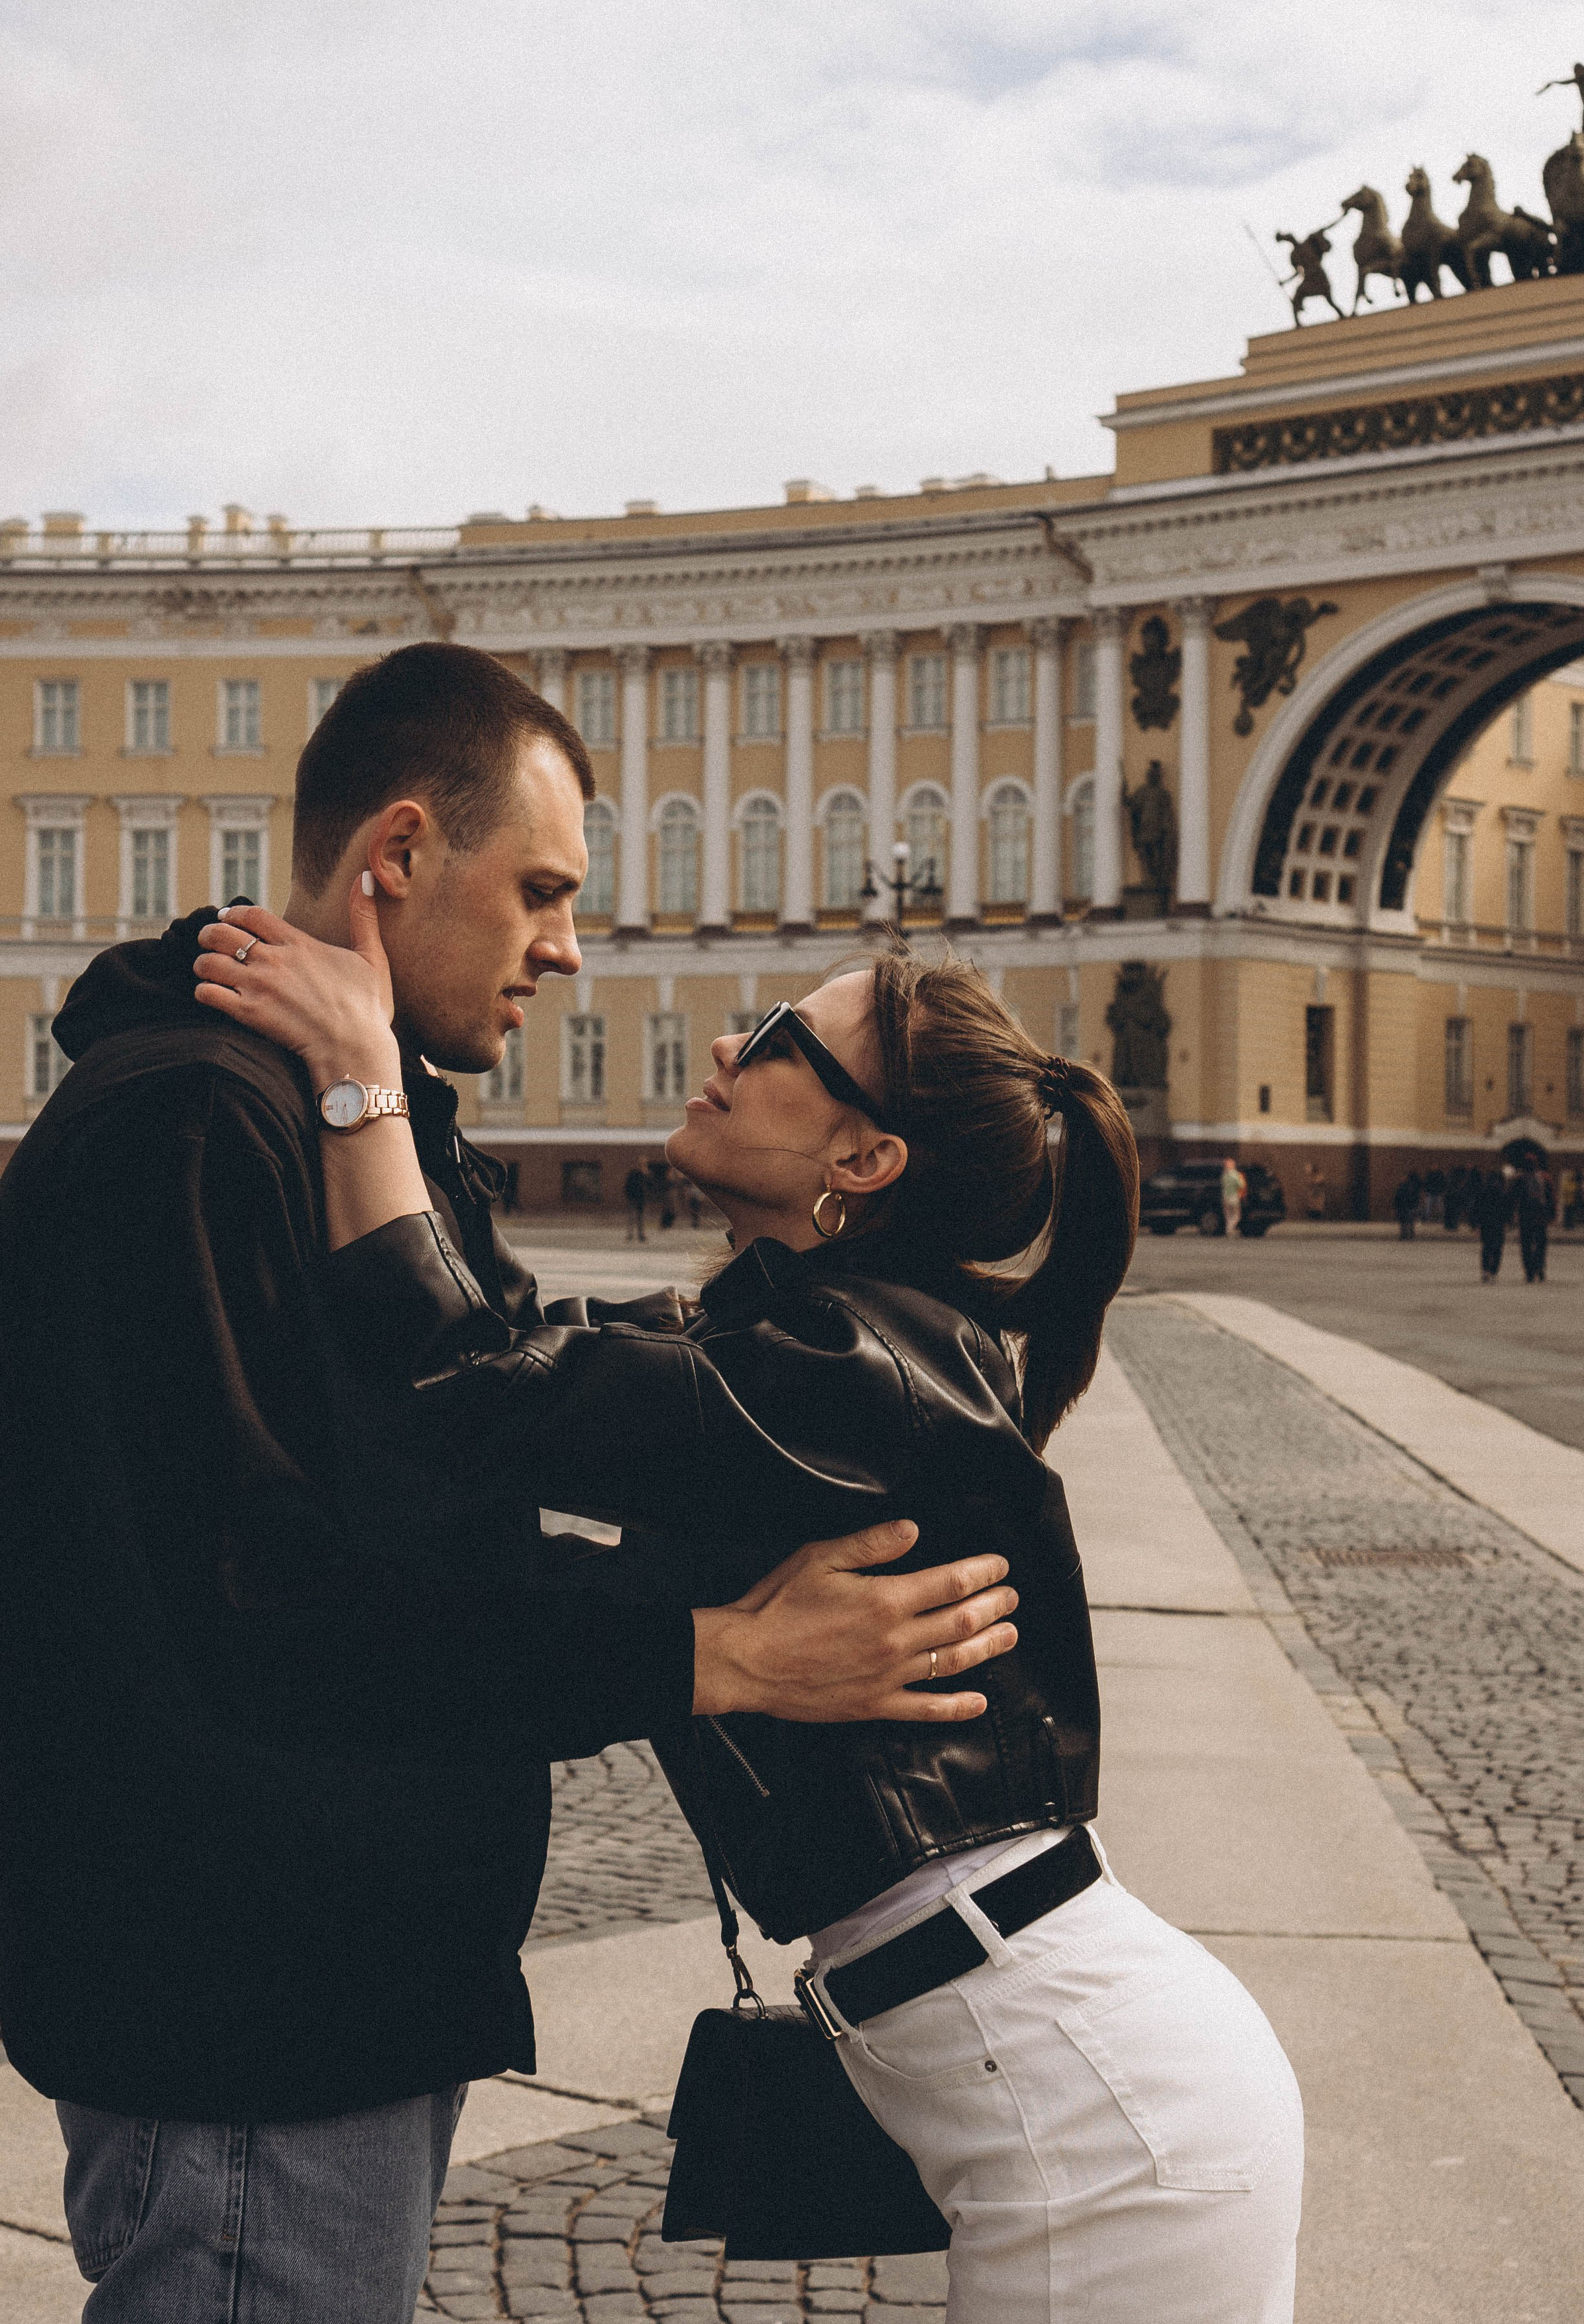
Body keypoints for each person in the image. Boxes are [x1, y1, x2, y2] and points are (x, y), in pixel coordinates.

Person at [0, 643, 1015, 2324]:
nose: (567, 943)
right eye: (540, 889)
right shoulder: (196, 1124)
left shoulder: (348, 1120)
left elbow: (475, 1443)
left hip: (341, 1980)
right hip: (256, 2002)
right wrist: (714, 1652)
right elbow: (263, 1615)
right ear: (397, 856)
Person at [198, 921, 1306, 2324]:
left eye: (779, 1039)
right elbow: (529, 1358)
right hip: (1056, 2067)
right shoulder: (810, 1346)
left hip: (1096, 2120)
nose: (728, 1048)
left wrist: (365, 1077)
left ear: (863, 1159)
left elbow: (467, 1382)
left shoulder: (851, 1374)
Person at [1518, 1162, 1554, 1283]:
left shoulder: (1520, 1179)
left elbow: (1514, 1198)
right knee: (1541, 1245)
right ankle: (1540, 1269)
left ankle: (1529, 1272)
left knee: (1526, 1245)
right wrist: (1551, 1215)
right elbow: (1551, 1197)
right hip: (1540, 1217)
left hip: (1526, 1217)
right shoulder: (1544, 1178)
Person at [1475, 1166, 1511, 1282]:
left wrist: (1476, 1223)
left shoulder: (1483, 1192)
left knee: (1486, 1248)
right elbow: (1507, 1209)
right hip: (1499, 1224)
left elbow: (1478, 1208)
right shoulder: (1503, 1193)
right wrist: (1508, 1222)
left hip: (1486, 1224)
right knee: (1498, 1249)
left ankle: (1485, 1270)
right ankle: (1494, 1271)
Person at [1219, 1153, 1247, 1237]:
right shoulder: (1236, 1175)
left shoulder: (1224, 1175)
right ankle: (1230, 1229)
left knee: (1228, 1215)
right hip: (1234, 1197)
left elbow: (1222, 1184)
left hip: (1225, 1197)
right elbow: (1241, 1185)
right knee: (1236, 1215)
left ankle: (1229, 1230)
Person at [1392, 1168, 1422, 1240]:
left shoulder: (1409, 1187)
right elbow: (1397, 1197)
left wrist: (1415, 1205)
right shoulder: (1401, 1187)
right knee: (1403, 1222)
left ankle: (1409, 1234)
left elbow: (1414, 1197)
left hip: (1409, 1206)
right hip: (1403, 1206)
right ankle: (1404, 1234)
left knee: (1409, 1221)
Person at [624, 1160, 648, 1243]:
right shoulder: (634, 1175)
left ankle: (640, 1235)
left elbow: (649, 1186)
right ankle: (630, 1235)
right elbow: (628, 1186)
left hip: (641, 1200)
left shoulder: (645, 1175)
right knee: (632, 1218)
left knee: (640, 1219)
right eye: (642, 1164)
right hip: (633, 1199)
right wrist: (630, 1196)